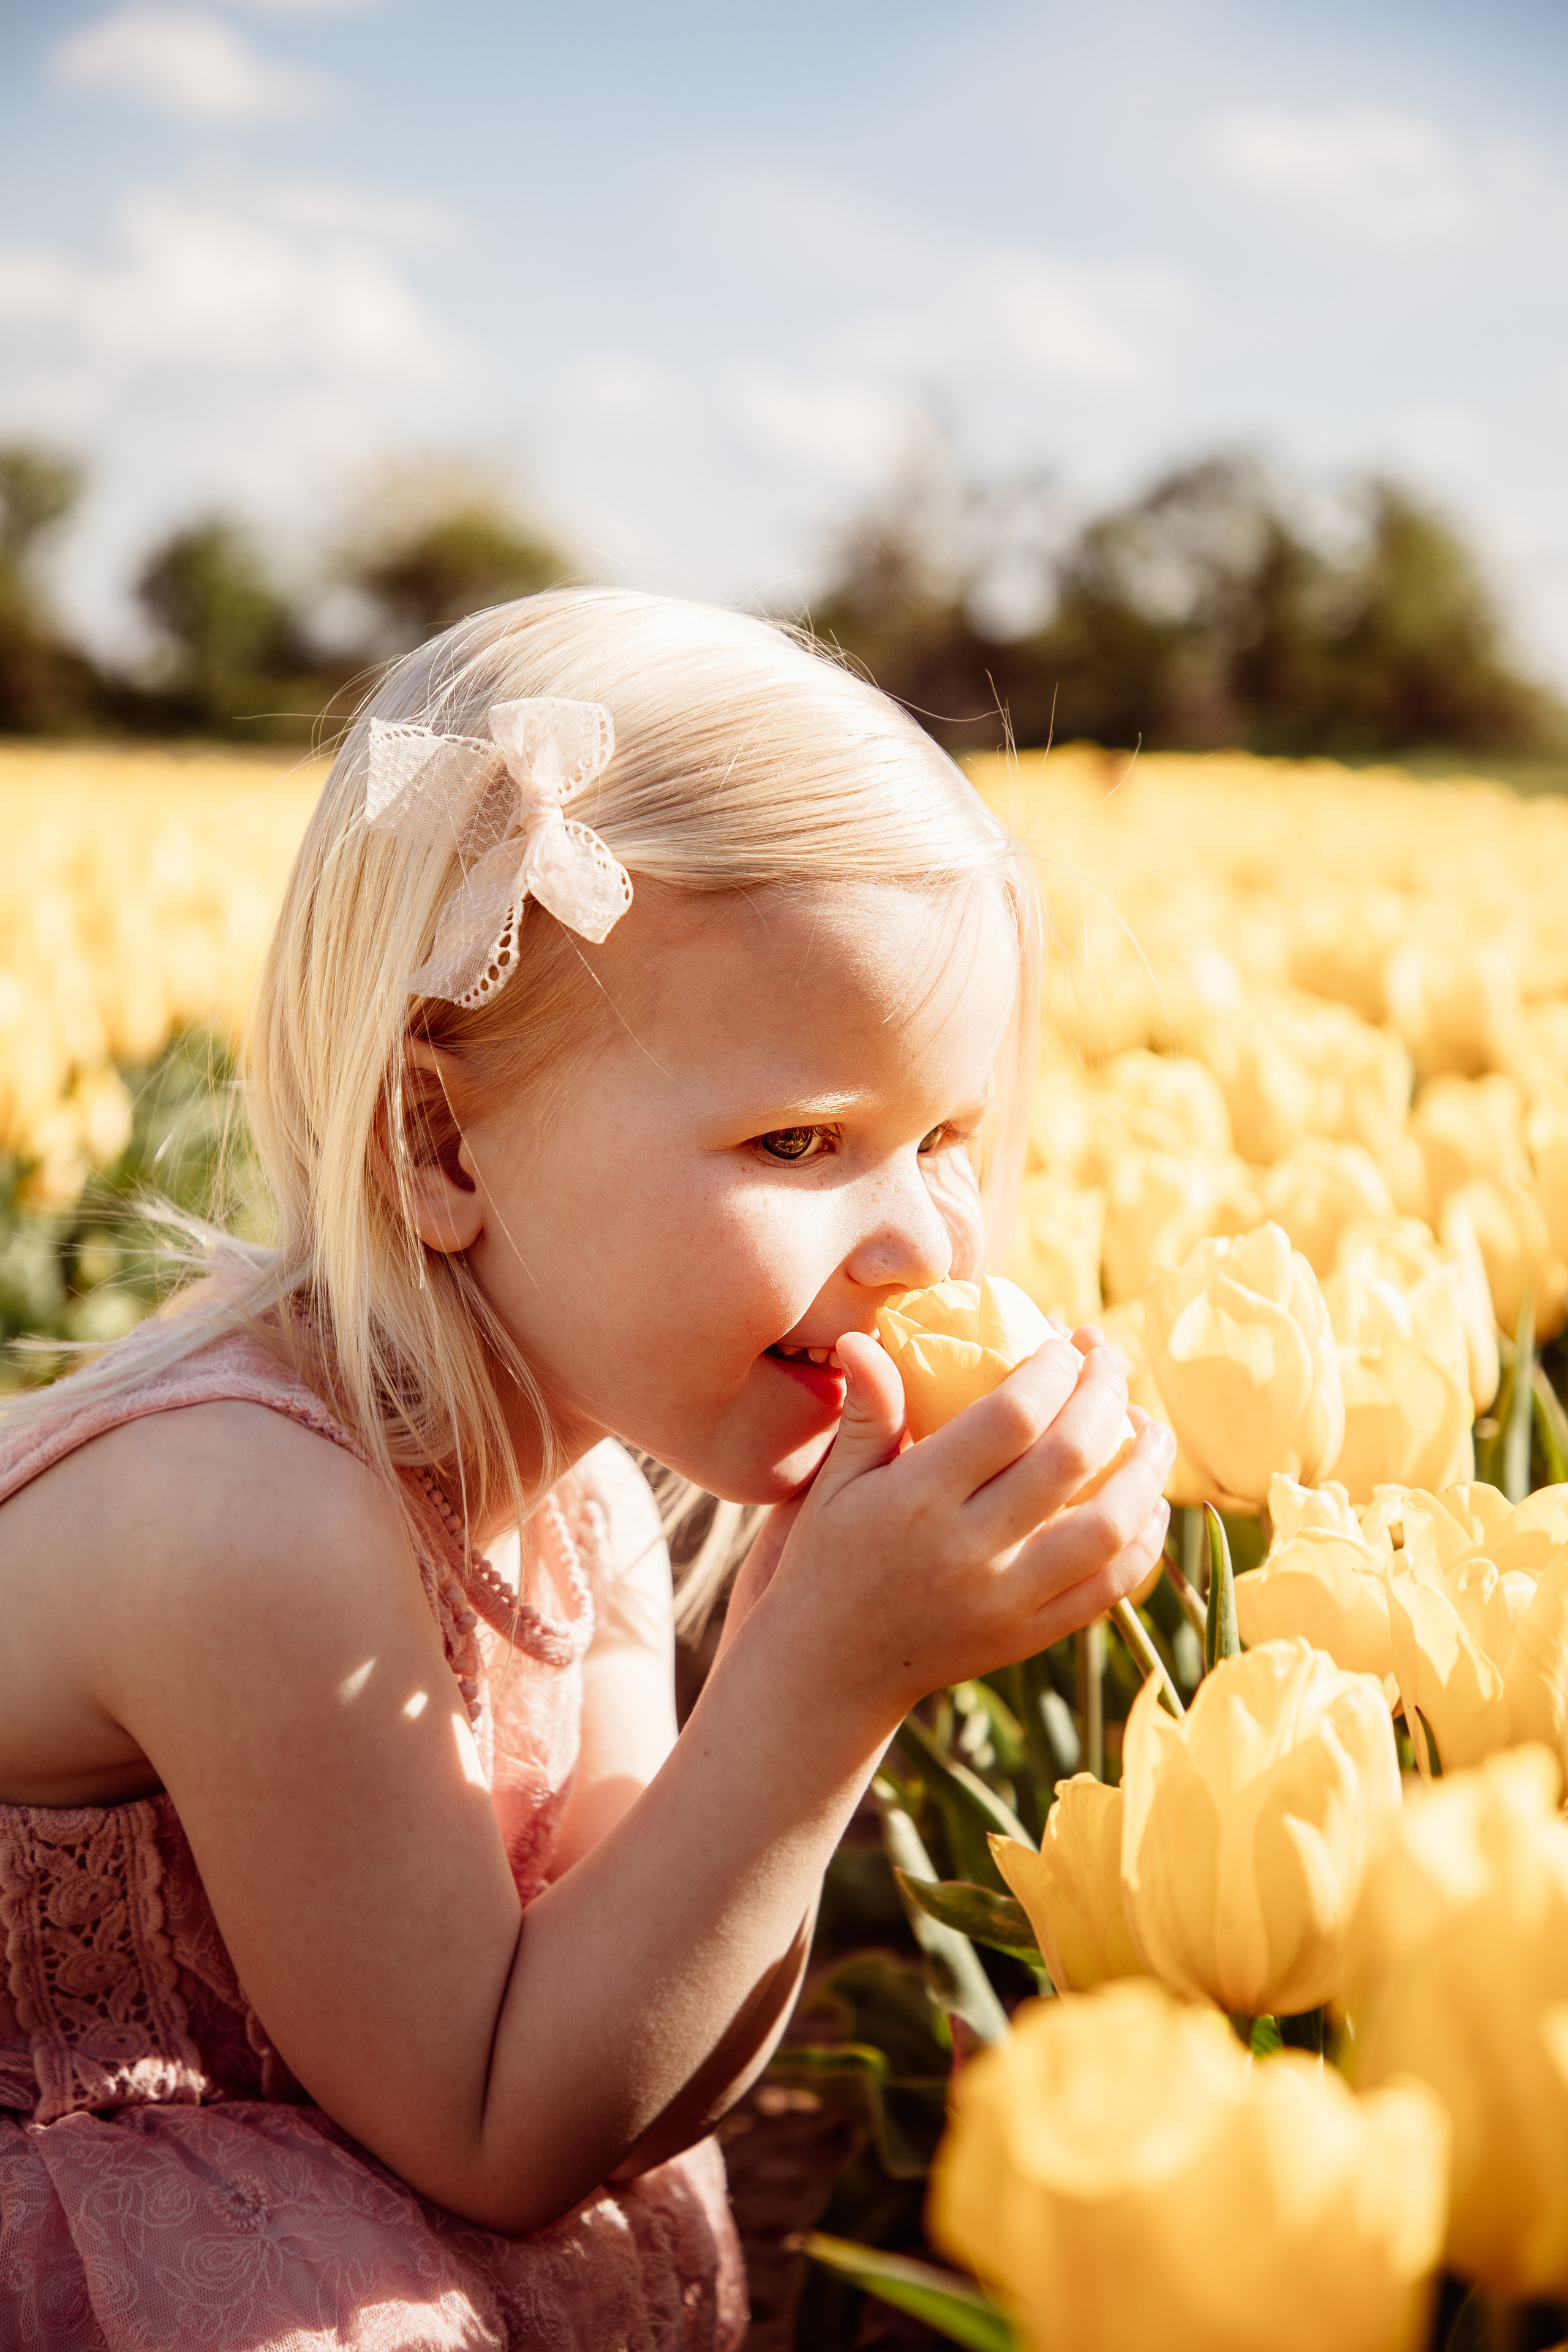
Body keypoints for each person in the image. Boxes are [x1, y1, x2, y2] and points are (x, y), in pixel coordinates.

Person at [0, 590, 1174, 2350]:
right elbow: (495, 2125)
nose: (927, 1243)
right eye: (802, 1141)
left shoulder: (590, 1498)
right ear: (439, 1136)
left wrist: (808, 1634)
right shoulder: (249, 1517)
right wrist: (824, 1683)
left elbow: (630, 2047)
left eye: (945, 1139)